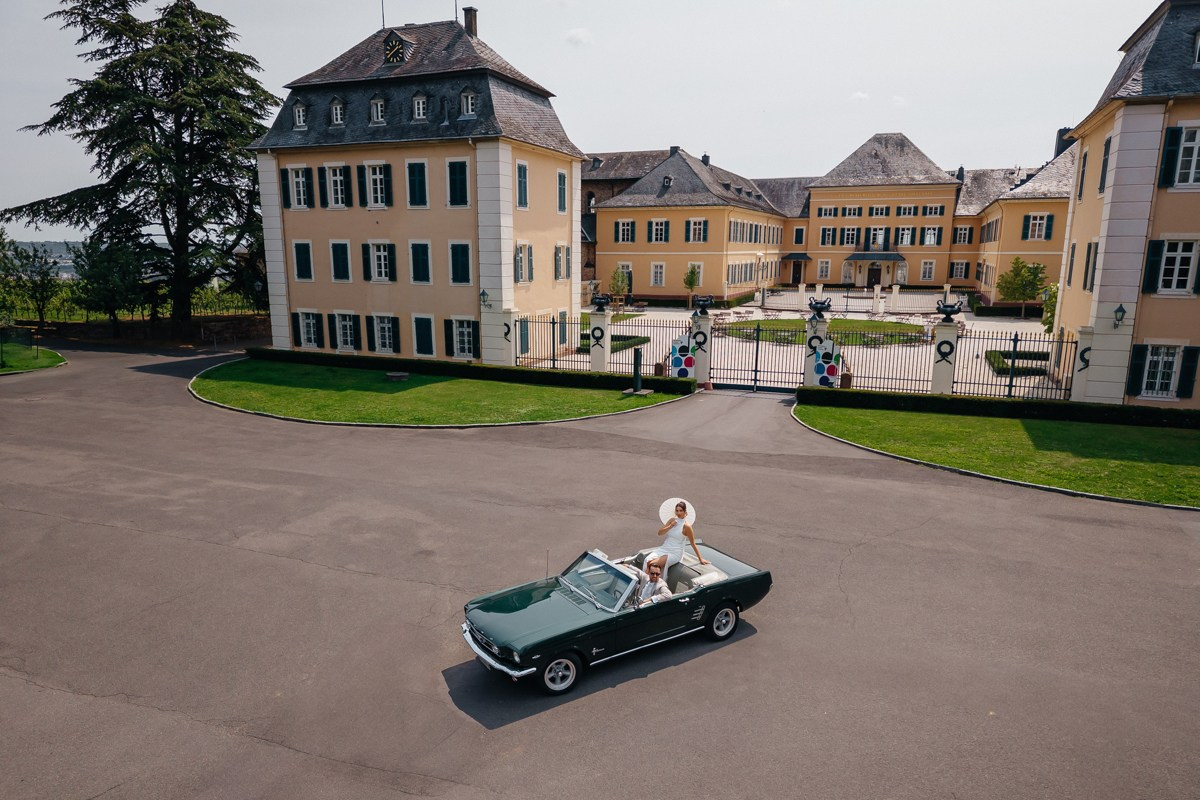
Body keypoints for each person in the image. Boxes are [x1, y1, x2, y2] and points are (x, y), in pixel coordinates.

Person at [646, 499, 708, 579]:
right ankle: (649, 582)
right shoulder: (672, 520)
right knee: (647, 560)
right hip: (664, 548)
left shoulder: (687, 526)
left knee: (652, 564)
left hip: (675, 552)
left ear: (685, 512)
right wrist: (670, 526)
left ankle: (651, 582)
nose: (678, 513)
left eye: (681, 511)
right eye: (677, 511)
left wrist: (700, 559)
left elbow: (693, 543)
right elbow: (660, 533)